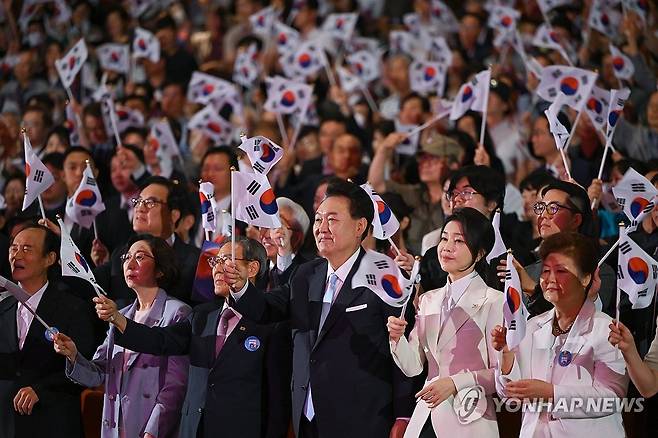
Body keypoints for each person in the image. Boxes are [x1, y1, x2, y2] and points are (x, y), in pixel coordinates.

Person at [224, 179, 414, 438]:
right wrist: (241, 287)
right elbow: (267, 309)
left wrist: (403, 414)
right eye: (318, 220)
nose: (322, 228)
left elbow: (401, 352)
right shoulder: (305, 274)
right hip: (307, 415)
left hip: (363, 418)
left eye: (332, 220)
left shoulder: (383, 277)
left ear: (360, 226)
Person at [92, 237, 289, 438]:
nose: (218, 269)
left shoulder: (271, 324)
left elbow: (277, 399)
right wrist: (117, 318)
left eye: (227, 260)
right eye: (215, 261)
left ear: (253, 268)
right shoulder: (201, 316)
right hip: (194, 430)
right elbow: (161, 340)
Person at [52, 235, 191, 438]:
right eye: (127, 257)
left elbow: (176, 386)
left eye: (140, 257)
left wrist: (152, 432)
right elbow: (99, 372)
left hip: (150, 428)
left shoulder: (177, 312)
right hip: (115, 426)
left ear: (160, 269)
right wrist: (74, 355)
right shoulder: (123, 314)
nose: (130, 263)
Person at [492, 232, 628, 437]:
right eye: (546, 271)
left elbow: (611, 398)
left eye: (561, 271)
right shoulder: (532, 327)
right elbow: (509, 396)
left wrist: (551, 394)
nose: (550, 279)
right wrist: (507, 353)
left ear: (585, 278)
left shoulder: (607, 330)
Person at [386, 208, 503, 437]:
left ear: (479, 254)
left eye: (459, 241)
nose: (447, 247)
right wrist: (396, 338)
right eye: (444, 238)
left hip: (470, 419)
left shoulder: (494, 301)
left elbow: (503, 376)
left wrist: (455, 383)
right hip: (425, 415)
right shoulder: (430, 299)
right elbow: (414, 367)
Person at [0, 224, 95, 438]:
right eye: (14, 248)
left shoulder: (73, 308)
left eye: (27, 249)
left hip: (53, 422)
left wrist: (41, 390)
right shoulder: (2, 307)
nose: (17, 255)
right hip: (6, 424)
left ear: (49, 258)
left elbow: (85, 368)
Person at [93, 176, 201, 305]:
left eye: (150, 203)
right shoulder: (119, 255)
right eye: (138, 201)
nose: (140, 208)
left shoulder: (195, 261)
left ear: (173, 215)